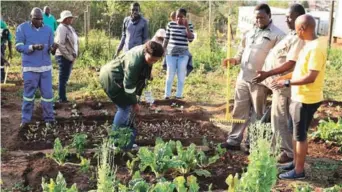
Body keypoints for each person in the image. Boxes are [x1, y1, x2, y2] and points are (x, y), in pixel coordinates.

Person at [221, 4, 285, 151]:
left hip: (260, 80)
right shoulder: (249, 32)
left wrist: (272, 78)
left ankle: (252, 143)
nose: (259, 20)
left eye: (262, 17)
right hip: (243, 77)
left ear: (269, 16)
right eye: (257, 17)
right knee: (239, 109)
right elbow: (242, 50)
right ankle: (234, 140)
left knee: (258, 112)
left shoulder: (278, 35)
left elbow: (280, 60)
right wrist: (235, 60)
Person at [274, 14, 327, 180]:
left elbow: (311, 77)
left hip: (306, 99)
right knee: (294, 131)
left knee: (300, 135)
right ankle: (295, 163)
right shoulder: (309, 44)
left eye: (297, 29)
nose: (296, 32)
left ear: (302, 29)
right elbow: (301, 71)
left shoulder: (316, 48)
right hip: (299, 96)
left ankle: (298, 171)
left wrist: (287, 84)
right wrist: (285, 77)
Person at [252, 4, 306, 164]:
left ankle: (287, 152)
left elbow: (290, 63)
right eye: (287, 17)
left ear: (300, 18)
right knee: (277, 117)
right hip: (277, 84)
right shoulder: (291, 34)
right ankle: (281, 148)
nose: (287, 20)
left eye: (290, 17)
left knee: (281, 118)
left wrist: (268, 73)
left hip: (284, 85)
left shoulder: (299, 38)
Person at [99, 41, 164, 149]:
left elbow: (140, 79)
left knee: (128, 109)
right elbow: (129, 86)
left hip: (119, 78)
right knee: (124, 108)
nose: (153, 62)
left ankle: (125, 141)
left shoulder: (145, 53)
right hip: (112, 78)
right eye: (152, 59)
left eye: (156, 61)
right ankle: (114, 142)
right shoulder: (135, 62)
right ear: (146, 52)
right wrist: (134, 103)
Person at [15, 8, 57, 128]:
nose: (39, 21)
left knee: (48, 96)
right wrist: (32, 47)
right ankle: (26, 119)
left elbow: (51, 50)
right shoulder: (22, 28)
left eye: (40, 19)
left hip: (45, 69)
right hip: (30, 68)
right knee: (28, 95)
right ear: (31, 17)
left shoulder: (48, 30)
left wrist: (54, 48)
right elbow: (18, 46)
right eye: (36, 19)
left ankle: (49, 119)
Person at [163, 8, 194, 99]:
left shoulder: (189, 25)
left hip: (183, 55)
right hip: (171, 54)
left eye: (181, 17)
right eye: (177, 17)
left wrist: (187, 27)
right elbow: (166, 38)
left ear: (185, 17)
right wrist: (163, 50)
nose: (179, 19)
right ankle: (167, 95)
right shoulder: (170, 24)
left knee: (181, 76)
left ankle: (178, 96)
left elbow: (191, 39)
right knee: (170, 75)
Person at [55, 10, 78, 103]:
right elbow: (60, 45)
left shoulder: (69, 27)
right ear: (66, 19)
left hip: (69, 56)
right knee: (63, 78)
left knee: (65, 77)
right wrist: (69, 57)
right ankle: (62, 98)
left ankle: (62, 97)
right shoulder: (61, 28)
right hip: (63, 56)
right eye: (70, 18)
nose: (72, 19)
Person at [0, 16, 13, 83]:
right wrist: (5, 60)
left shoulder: (4, 26)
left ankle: (2, 78)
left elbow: (10, 41)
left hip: (1, 44)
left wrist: (10, 52)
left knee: (1, 61)